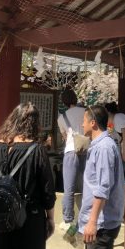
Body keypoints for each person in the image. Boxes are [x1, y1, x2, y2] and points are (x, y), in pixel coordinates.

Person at [0, 103, 56, 249]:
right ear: (35, 125)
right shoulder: (37, 151)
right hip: (29, 221)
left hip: (0, 221)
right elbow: (48, 193)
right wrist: (50, 219)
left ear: (12, 120)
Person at [79, 105, 125, 249]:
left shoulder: (104, 147)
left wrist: (92, 222)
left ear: (93, 123)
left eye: (84, 121)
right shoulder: (100, 145)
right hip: (97, 221)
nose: (81, 124)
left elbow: (102, 188)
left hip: (101, 224)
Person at [57, 89, 86, 231]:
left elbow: (64, 136)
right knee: (87, 184)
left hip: (71, 151)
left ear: (64, 102)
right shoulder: (86, 112)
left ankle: (68, 219)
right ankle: (87, 215)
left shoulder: (62, 117)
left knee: (69, 187)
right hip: (87, 150)